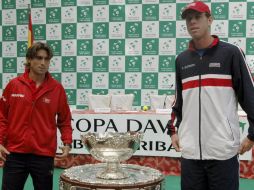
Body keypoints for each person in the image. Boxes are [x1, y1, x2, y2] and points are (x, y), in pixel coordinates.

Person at [167, 1, 254, 190]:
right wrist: (173, 131)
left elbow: (250, 96)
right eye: (188, 18)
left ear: (210, 19)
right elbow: (179, 101)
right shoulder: (181, 60)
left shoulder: (231, 53)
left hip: (222, 151)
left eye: (197, 17)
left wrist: (252, 135)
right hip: (190, 153)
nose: (192, 22)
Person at [0, 42, 73, 190]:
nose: (43, 63)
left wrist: (67, 142)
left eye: (46, 59)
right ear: (29, 60)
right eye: (39, 58)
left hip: (43, 155)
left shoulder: (57, 88)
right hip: (14, 153)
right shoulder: (14, 85)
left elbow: (64, 120)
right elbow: (2, 116)